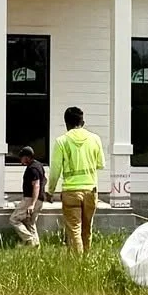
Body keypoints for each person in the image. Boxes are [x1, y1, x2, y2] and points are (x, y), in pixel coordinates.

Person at [50, 106, 105, 254]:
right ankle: (86, 260)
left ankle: (77, 264)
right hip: (91, 191)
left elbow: (55, 170)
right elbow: (101, 164)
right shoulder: (95, 139)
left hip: (71, 192)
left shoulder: (61, 141)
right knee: (87, 229)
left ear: (66, 123)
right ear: (83, 122)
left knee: (74, 230)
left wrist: (50, 191)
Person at [10, 144, 47, 246]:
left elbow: (36, 185)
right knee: (30, 222)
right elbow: (45, 180)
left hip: (31, 199)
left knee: (14, 219)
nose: (20, 160)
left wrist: (32, 204)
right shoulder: (39, 165)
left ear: (26, 157)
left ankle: (29, 239)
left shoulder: (32, 169)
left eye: (21, 158)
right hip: (40, 199)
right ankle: (36, 245)